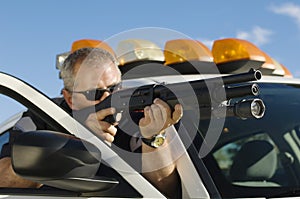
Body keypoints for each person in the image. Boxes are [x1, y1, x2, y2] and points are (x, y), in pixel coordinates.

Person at [0, 47, 183, 198]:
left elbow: (164, 190)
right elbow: (4, 181)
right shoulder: (43, 115)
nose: (109, 97)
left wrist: (153, 137)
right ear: (70, 99)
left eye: (115, 88)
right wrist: (74, 143)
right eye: (96, 94)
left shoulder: (136, 115)